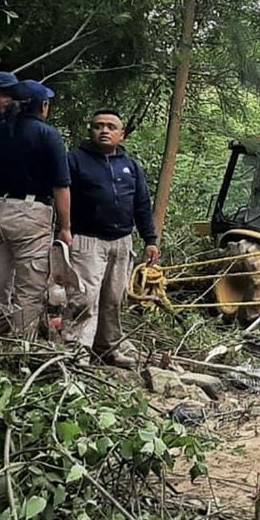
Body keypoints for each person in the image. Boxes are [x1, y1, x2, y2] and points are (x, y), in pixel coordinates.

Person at [64, 108, 158, 364]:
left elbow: (141, 203)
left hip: (122, 241)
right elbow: (61, 197)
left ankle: (107, 348)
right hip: (86, 240)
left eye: (110, 127)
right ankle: (76, 353)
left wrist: (150, 239)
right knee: (84, 298)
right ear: (91, 131)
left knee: (114, 299)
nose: (104, 130)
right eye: (98, 126)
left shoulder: (130, 166)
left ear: (122, 134)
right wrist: (62, 231)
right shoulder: (74, 160)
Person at [0, 80, 70, 337]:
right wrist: (66, 227)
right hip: (31, 215)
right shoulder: (48, 135)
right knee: (29, 286)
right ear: (42, 106)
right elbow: (61, 187)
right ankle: (20, 343)